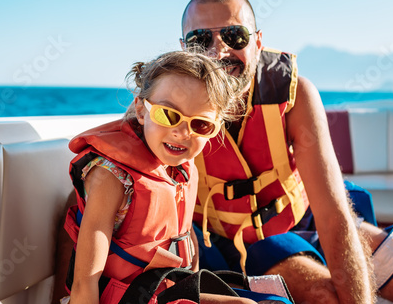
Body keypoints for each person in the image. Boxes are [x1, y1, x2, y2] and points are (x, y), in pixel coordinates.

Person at [181, 0, 393, 303]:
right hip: (240, 242)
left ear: (257, 42)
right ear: (184, 49)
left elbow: (332, 214)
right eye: (200, 40)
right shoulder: (168, 105)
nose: (219, 51)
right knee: (324, 295)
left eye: (234, 35)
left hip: (305, 217)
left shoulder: (294, 95)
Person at [61, 50, 257, 304]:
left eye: (200, 124)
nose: (182, 132)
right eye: (168, 115)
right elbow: (84, 283)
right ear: (141, 110)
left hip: (166, 293)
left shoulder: (183, 171)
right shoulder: (113, 178)